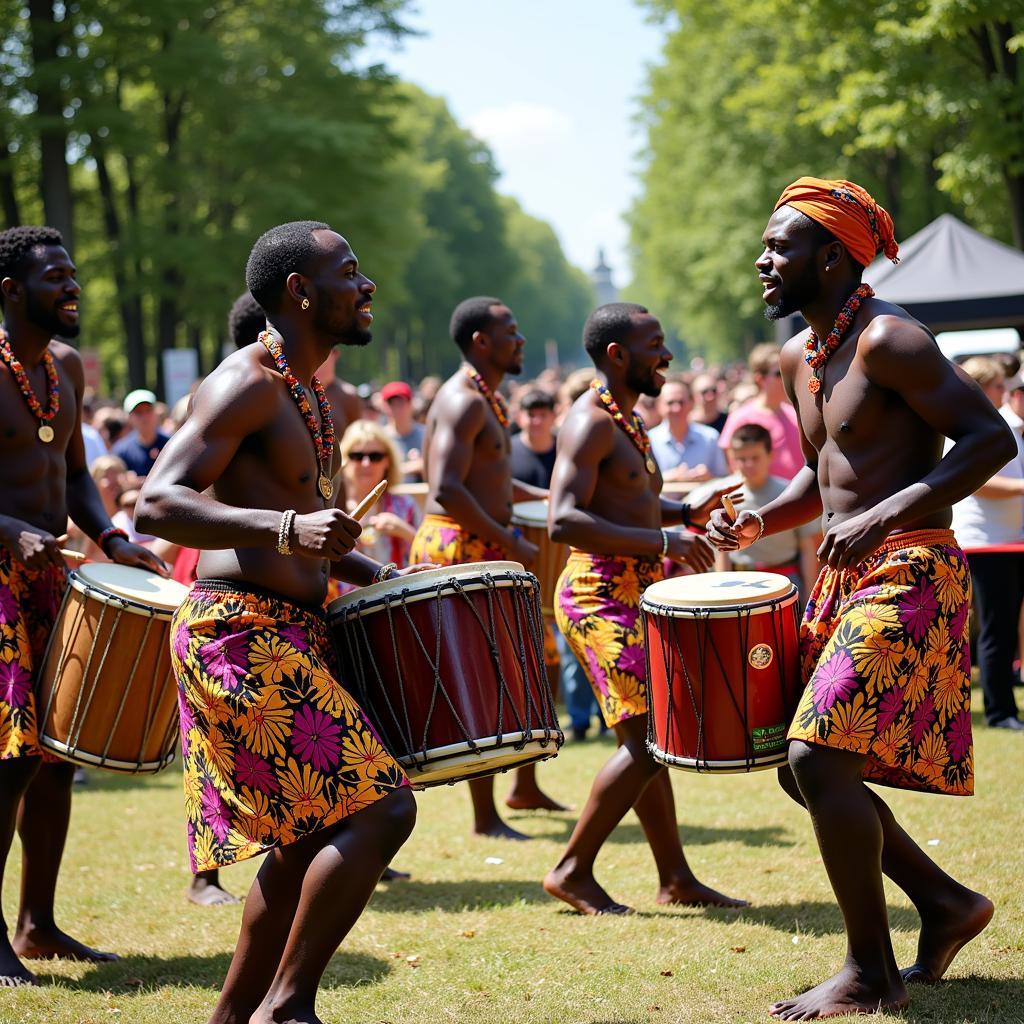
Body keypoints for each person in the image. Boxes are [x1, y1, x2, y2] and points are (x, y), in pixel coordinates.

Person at [707, 177, 1005, 1019]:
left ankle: (869, 973)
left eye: (780, 248)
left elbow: (992, 438)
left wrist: (884, 514)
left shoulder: (890, 341)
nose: (763, 262)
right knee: (802, 769)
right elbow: (827, 475)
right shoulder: (811, 357)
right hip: (843, 576)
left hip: (912, 568)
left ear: (831, 257)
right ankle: (947, 904)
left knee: (814, 759)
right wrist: (766, 514)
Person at [136, 220, 418, 1024]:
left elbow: (307, 531)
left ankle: (235, 1019)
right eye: (350, 272)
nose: (366, 287)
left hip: (289, 624)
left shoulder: (306, 391)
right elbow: (158, 499)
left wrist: (374, 571)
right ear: (301, 291)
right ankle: (286, 1010)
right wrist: (289, 529)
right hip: (236, 632)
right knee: (382, 807)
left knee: (304, 838)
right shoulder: (247, 382)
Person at [0, 225, 165, 987]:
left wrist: (112, 534)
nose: (73, 287)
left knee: (58, 757)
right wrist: (9, 532)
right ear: (11, 291)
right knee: (7, 763)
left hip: (51, 580)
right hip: (0, 583)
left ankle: (37, 924)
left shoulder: (63, 368)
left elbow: (71, 478)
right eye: (55, 277)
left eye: (74, 273)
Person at [543, 301, 745, 915]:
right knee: (651, 736)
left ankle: (675, 879)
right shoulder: (590, 422)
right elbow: (564, 520)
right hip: (596, 595)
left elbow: (625, 505)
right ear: (616, 355)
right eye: (655, 344)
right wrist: (664, 541)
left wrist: (685, 514)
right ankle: (572, 871)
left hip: (634, 590)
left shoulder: (626, 420)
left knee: (649, 735)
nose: (667, 355)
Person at [410, 296, 566, 836]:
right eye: (512, 331)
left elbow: (490, 478)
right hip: (460, 547)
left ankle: (522, 787)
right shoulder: (463, 400)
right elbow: (447, 488)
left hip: (485, 543)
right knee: (482, 675)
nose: (521, 340)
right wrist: (510, 539)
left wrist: (547, 497)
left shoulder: (486, 399)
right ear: (481, 342)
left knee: (520, 664)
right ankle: (484, 817)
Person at [946, 357, 1024, 731]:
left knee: (1004, 627)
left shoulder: (996, 425)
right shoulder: (967, 428)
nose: (1003, 392)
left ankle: (1004, 707)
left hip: (1007, 541)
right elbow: (978, 482)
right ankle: (999, 711)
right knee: (996, 629)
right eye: (996, 386)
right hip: (985, 543)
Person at [724, 423, 820, 596]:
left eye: (755, 457)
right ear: (732, 458)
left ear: (770, 455)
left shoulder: (790, 494)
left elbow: (808, 548)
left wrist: (809, 595)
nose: (748, 464)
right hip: (739, 583)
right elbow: (722, 550)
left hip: (785, 582)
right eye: (742, 459)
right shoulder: (724, 495)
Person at [340, 420, 419, 572]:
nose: (366, 463)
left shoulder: (404, 506)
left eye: (375, 456)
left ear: (387, 462)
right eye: (357, 455)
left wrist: (405, 531)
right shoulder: (332, 507)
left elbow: (428, 555)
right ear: (345, 460)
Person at [718, 342, 804, 479]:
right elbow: (734, 467)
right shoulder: (741, 417)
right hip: (763, 499)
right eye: (778, 374)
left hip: (799, 497)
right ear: (760, 379)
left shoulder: (796, 414)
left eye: (787, 372)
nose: (786, 379)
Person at [648, 377, 729, 482]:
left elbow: (724, 481)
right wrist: (669, 477)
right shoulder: (649, 441)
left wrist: (709, 478)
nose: (676, 409)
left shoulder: (710, 437)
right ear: (659, 406)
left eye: (681, 402)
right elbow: (641, 484)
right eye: (670, 403)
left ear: (691, 403)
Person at [112, 388, 171, 479]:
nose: (144, 417)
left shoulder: (171, 444)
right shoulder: (121, 450)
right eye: (138, 412)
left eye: (148, 410)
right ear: (129, 417)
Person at [509, 388, 558, 489]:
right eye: (531, 415)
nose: (537, 421)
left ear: (553, 417)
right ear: (519, 418)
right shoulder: (507, 449)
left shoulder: (564, 449)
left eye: (543, 415)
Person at [380, 380, 425, 481]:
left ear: (410, 404)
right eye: (392, 404)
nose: (397, 408)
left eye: (401, 403)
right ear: (385, 407)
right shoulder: (381, 437)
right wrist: (411, 467)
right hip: (389, 495)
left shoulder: (426, 435)